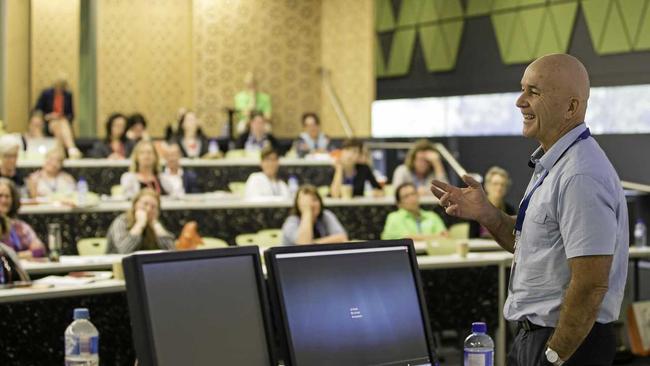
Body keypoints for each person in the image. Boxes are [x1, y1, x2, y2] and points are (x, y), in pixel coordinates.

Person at [431, 54, 628, 366]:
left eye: (533, 92)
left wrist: (555, 355)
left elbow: (591, 284)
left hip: (565, 345)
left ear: (571, 107)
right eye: (522, 89)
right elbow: (533, 246)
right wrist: (488, 214)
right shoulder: (554, 164)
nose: (519, 101)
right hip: (537, 339)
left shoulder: (580, 175)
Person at [106, 188, 175, 254]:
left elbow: (171, 251)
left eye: (153, 207)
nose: (148, 209)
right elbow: (124, 250)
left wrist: (156, 225)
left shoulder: (155, 225)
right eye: (145, 204)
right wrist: (139, 224)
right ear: (135, 204)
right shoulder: (121, 221)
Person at [281, 185, 348, 245]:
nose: (311, 205)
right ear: (298, 205)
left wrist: (313, 243)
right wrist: (307, 212)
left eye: (314, 200)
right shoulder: (291, 222)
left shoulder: (326, 215)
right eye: (305, 201)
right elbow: (304, 244)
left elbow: (342, 238)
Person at [33, 79, 81, 158]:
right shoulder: (46, 94)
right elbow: (38, 109)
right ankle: (71, 149)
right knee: (56, 123)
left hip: (62, 121)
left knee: (62, 123)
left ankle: (61, 151)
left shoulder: (68, 95)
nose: (59, 90)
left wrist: (62, 116)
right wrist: (48, 116)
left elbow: (71, 115)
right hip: (48, 121)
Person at [381, 182, 447, 240]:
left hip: (432, 253)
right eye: (406, 196)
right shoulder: (394, 217)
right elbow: (407, 238)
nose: (411, 198)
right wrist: (436, 237)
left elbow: (445, 236)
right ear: (399, 203)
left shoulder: (432, 216)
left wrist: (416, 238)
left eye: (413, 194)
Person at [0, 178, 46, 258]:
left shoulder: (20, 227)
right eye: (0, 196)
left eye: (7, 196)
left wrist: (17, 256)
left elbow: (39, 250)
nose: (3, 200)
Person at [470, 166, 516, 238]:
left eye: (503, 185)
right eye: (495, 184)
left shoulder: (510, 210)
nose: (499, 188)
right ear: (486, 186)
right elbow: (472, 237)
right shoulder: (477, 209)